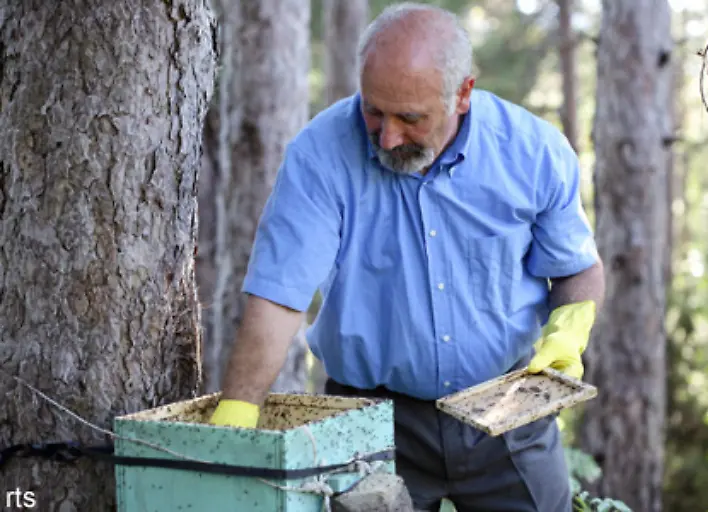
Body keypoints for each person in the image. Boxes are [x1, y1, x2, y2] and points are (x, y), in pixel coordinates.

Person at [209, 3, 605, 511]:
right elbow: (278, 297)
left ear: (463, 93)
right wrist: (237, 414)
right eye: (373, 110)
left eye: (410, 118)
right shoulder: (319, 154)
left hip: (508, 412)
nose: (387, 136)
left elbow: (575, 268)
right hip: (368, 418)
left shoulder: (534, 151)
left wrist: (569, 330)